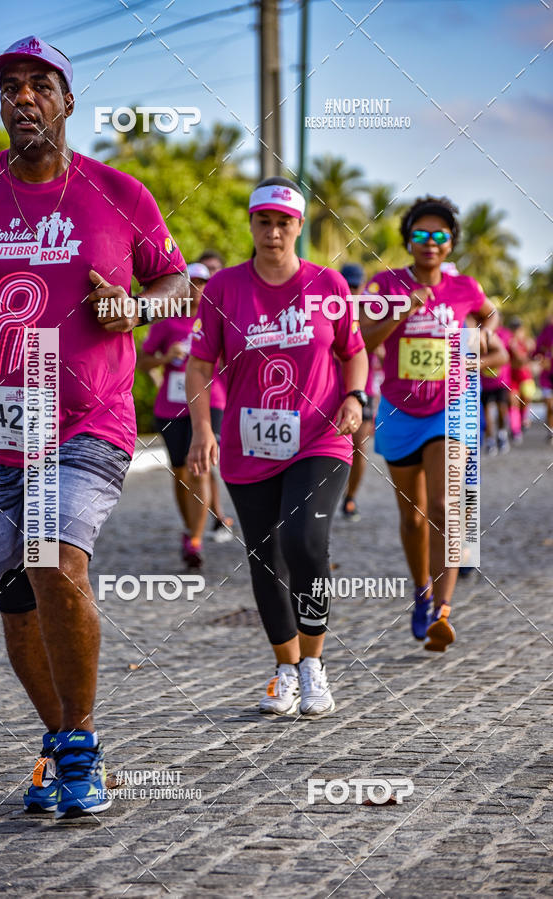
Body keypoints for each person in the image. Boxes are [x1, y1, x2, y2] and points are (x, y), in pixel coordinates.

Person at [0, 36, 186, 820]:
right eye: (10, 87)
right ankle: (58, 741)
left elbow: (177, 284)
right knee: (17, 597)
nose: (23, 98)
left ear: (67, 100)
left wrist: (137, 307)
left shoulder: (119, 193)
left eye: (39, 85)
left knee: (55, 554)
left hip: (89, 416)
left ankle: (81, 743)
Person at [186, 176, 368, 716]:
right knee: (264, 559)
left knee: (305, 543)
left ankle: (313, 664)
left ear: (298, 226)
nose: (273, 232)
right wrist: (202, 429)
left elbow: (352, 350)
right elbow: (200, 364)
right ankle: (284, 667)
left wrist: (355, 396)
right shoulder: (224, 289)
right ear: (251, 223)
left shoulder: (328, 285)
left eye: (283, 222)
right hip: (250, 443)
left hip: (319, 436)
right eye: (263, 221)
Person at [359, 195, 497, 652]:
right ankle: (420, 591)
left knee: (443, 506)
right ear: (409, 240)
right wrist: (402, 310)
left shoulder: (467, 291)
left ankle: (442, 609)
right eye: (422, 234)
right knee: (413, 516)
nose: (431, 243)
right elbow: (363, 339)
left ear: (451, 243)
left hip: (450, 408)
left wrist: (475, 356)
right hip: (399, 409)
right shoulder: (386, 284)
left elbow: (493, 341)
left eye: (440, 236)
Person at [137, 262, 226, 567]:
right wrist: (165, 357)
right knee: (180, 472)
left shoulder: (217, 320)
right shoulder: (166, 322)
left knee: (199, 466)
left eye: (203, 284)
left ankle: (196, 541)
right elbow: (143, 362)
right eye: (193, 283)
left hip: (210, 402)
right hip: (171, 407)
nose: (198, 290)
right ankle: (190, 528)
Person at [339, 263, 383, 521]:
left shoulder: (370, 310)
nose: (351, 290)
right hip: (331, 388)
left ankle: (350, 497)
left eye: (356, 286)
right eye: (347, 285)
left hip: (362, 390)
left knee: (358, 448)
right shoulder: (326, 306)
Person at [196, 250, 234, 542]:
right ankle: (211, 517)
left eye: (214, 272)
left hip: (220, 398)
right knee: (193, 466)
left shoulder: (230, 308)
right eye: (202, 273)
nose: (207, 279)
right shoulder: (178, 316)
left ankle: (219, 515)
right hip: (183, 404)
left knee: (212, 461)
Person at [481, 321, 512, 455]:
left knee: (501, 409)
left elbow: (509, 355)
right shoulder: (478, 332)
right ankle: (490, 441)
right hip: (485, 381)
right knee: (487, 411)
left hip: (501, 381)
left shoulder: (505, 334)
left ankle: (501, 434)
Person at [507, 316, 536, 444]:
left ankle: (524, 420)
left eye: (518, 328)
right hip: (512, 378)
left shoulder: (527, 342)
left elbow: (525, 359)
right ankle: (515, 430)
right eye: (514, 328)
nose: (516, 331)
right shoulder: (508, 342)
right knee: (513, 402)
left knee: (525, 401)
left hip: (525, 377)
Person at [534, 311, 553, 444]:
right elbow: (536, 352)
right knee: (550, 405)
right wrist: (540, 359)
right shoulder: (547, 331)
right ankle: (551, 430)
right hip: (547, 375)